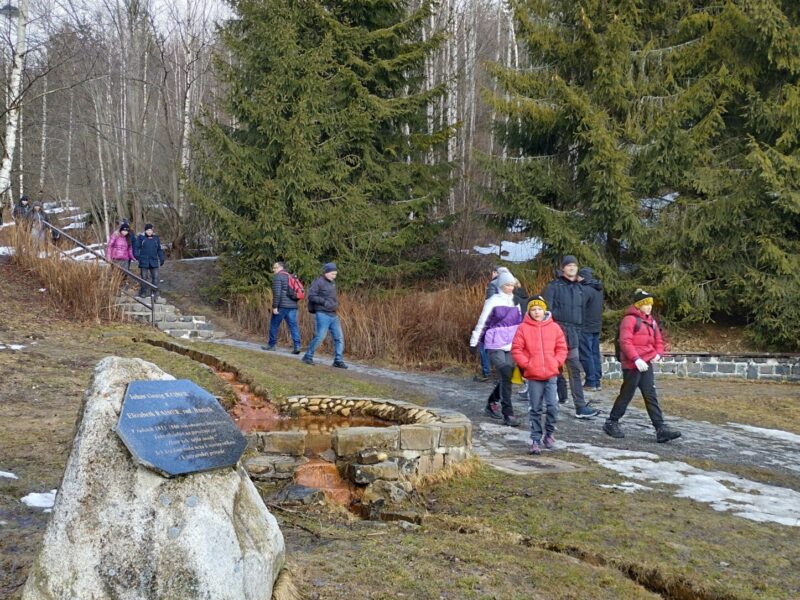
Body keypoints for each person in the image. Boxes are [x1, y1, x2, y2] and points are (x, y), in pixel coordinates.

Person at [603, 290, 681, 443]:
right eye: (646, 304)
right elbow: (625, 342)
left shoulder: (651, 321)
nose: (649, 307)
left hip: (646, 363)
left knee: (650, 395)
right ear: (639, 306)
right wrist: (636, 359)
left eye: (650, 304)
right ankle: (612, 421)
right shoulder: (629, 320)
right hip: (633, 364)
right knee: (627, 394)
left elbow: (659, 340)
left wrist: (659, 353)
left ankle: (660, 428)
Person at [543, 255, 600, 419]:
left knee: (575, 370)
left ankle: (580, 407)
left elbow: (584, 310)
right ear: (563, 268)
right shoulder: (553, 286)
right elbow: (546, 312)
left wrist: (580, 330)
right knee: (553, 370)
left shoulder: (579, 289)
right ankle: (550, 403)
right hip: (556, 334)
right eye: (569, 265)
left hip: (574, 335)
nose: (572, 268)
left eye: (574, 265)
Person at [511, 296, 568, 455]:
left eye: (539, 309)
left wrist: (556, 362)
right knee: (535, 408)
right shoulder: (523, 328)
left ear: (545, 310)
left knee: (552, 406)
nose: (537, 312)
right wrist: (527, 364)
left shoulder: (554, 327)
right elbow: (517, 349)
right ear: (529, 311)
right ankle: (535, 439)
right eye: (533, 309)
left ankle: (549, 433)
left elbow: (562, 348)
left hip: (551, 374)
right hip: (533, 376)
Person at [469, 270, 523, 427]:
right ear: (501, 285)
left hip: (511, 344)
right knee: (506, 373)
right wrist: (474, 342)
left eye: (512, 285)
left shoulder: (516, 302)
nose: (510, 288)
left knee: (508, 375)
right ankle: (508, 413)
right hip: (495, 344)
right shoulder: (492, 301)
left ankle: (492, 401)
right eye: (507, 285)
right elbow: (482, 322)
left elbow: (521, 324)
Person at [302, 262, 347, 368]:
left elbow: (332, 297)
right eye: (332, 274)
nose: (334, 276)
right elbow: (311, 296)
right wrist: (324, 302)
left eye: (335, 274)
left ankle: (338, 360)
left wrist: (336, 304)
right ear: (326, 272)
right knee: (320, 337)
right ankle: (308, 356)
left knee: (339, 338)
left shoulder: (332, 283)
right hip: (322, 314)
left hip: (333, 314)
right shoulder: (318, 282)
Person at [474, 266, 511, 382]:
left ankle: (487, 372)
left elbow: (489, 304)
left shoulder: (494, 284)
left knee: (483, 344)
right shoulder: (513, 284)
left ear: (495, 273)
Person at [263, 261, 302, 354]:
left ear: (280, 267)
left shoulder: (278, 277)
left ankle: (271, 345)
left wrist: (275, 306)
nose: (273, 269)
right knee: (293, 326)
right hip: (293, 306)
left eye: (275, 267)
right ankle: (297, 346)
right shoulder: (290, 276)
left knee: (274, 325)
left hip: (282, 306)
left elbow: (277, 293)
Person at [578, 267, 604, 391]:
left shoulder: (585, 290)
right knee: (594, 354)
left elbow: (579, 307)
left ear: (582, 277)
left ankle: (590, 381)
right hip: (596, 325)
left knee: (586, 354)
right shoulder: (598, 289)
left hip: (585, 326)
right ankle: (597, 380)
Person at [133, 223, 165, 299]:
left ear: (152, 230)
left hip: (154, 261)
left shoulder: (156, 238)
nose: (149, 231)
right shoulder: (141, 238)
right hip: (144, 261)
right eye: (148, 230)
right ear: (145, 231)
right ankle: (143, 292)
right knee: (144, 277)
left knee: (155, 277)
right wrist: (137, 256)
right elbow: (136, 248)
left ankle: (154, 292)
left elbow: (159, 249)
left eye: (150, 230)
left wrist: (161, 258)